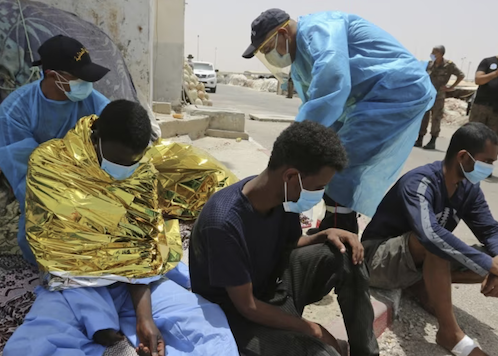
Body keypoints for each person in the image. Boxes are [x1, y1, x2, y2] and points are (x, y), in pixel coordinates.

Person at [4, 100, 239, 356]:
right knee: (30, 348)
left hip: (137, 285)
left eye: (132, 162)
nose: (125, 170)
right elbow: (56, 252)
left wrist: (144, 317)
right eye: (118, 160)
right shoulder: (50, 163)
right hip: (72, 287)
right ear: (97, 138)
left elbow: (140, 252)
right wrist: (96, 318)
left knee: (210, 328)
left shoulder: (141, 172)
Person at [190, 121, 379, 356]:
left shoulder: (280, 197)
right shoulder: (224, 223)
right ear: (291, 176)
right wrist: (314, 329)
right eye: (319, 186)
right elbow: (247, 306)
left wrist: (323, 235)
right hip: (237, 319)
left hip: (273, 289)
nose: (320, 194)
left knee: (346, 255)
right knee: (321, 352)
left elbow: (289, 244)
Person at [242, 9, 435, 233]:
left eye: (268, 49)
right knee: (332, 157)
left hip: (396, 91)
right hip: (374, 99)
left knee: (341, 162)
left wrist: (292, 148)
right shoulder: (301, 59)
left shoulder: (318, 29)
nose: (270, 56)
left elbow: (331, 85)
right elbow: (322, 112)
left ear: (283, 32)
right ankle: (337, 223)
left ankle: (339, 229)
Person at [362, 122, 498, 356]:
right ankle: (449, 333)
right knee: (436, 244)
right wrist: (490, 265)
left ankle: (423, 283)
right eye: (488, 161)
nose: (491, 168)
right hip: (377, 261)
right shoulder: (419, 182)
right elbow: (430, 234)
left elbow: (491, 229)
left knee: (486, 255)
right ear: (464, 157)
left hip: (414, 262)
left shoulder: (468, 188)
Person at [0, 35, 111, 265]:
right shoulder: (14, 114)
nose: (87, 84)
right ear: (52, 76)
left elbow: (118, 143)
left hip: (93, 193)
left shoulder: (95, 103)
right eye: (79, 78)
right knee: (53, 249)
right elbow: (31, 181)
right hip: (48, 199)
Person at [416, 45, 465, 150]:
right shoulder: (429, 64)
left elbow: (461, 75)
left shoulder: (449, 65)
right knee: (424, 117)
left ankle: (432, 141)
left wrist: (451, 87)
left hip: (439, 95)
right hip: (428, 95)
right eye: (432, 51)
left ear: (441, 54)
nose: (432, 54)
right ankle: (420, 138)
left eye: (435, 52)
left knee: (436, 118)